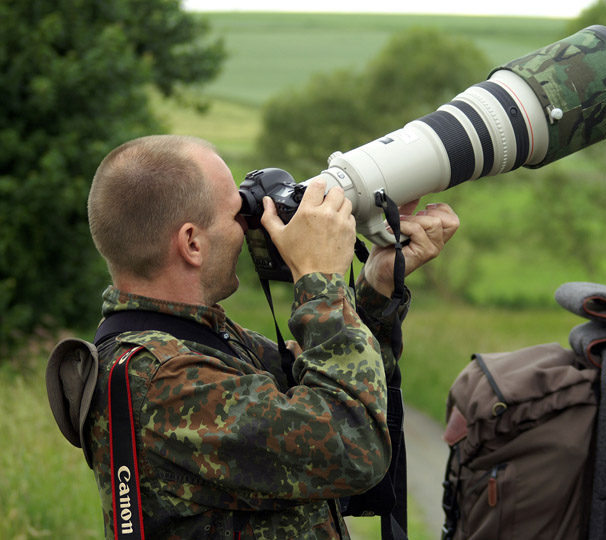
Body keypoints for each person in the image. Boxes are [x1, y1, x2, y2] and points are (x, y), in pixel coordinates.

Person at [48, 134, 459, 539]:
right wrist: (319, 279)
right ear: (192, 242)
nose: (249, 228)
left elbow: (344, 389)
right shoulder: (165, 382)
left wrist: (377, 284)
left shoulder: (195, 341)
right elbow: (352, 446)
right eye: (236, 214)